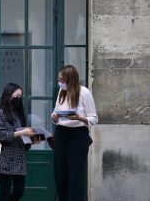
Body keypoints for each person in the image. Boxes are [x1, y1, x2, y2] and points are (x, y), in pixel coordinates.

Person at [51, 65, 98, 201]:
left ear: (70, 79)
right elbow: (55, 111)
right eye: (59, 79)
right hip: (61, 133)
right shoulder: (61, 91)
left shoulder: (84, 92)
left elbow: (94, 119)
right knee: (60, 176)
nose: (59, 82)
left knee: (75, 177)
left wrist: (79, 117)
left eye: (62, 79)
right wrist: (54, 117)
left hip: (78, 135)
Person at [0, 83, 37, 201]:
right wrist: (22, 133)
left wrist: (32, 139)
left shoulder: (18, 114)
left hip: (19, 156)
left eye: (21, 96)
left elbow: (22, 134)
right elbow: (2, 135)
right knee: (5, 191)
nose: (19, 99)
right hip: (5, 156)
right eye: (16, 95)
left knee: (19, 191)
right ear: (8, 95)